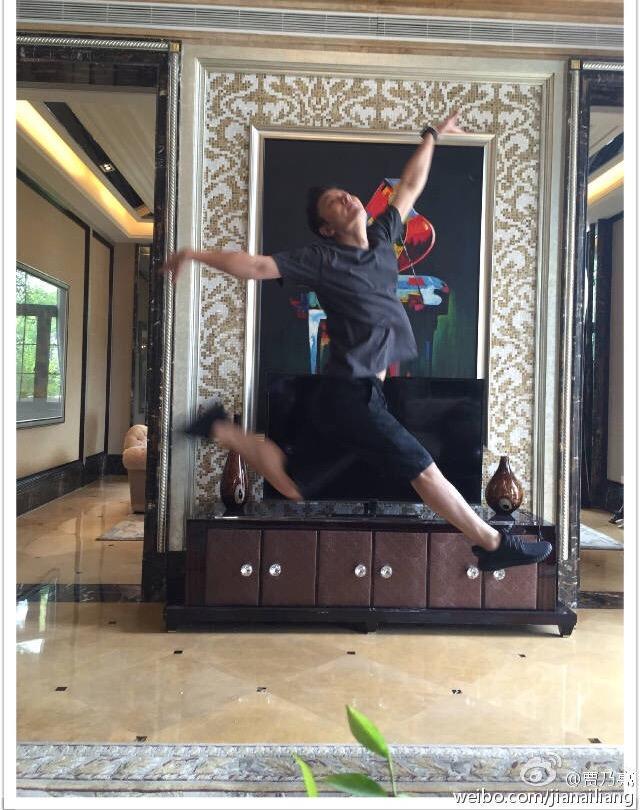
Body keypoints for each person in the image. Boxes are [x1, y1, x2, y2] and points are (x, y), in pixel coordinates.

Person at [162, 111, 551, 572]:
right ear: (326, 227)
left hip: (356, 393)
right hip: (351, 393)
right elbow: (256, 266)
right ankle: (491, 542)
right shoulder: (321, 257)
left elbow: (410, 186)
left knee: (293, 484)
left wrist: (432, 136)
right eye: (332, 202)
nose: (345, 197)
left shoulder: (384, 238)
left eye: (345, 193)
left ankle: (219, 428)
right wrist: (194, 254)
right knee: (422, 467)